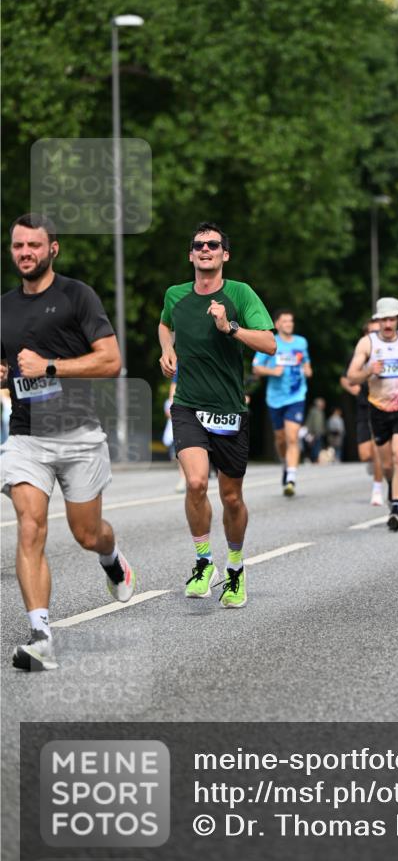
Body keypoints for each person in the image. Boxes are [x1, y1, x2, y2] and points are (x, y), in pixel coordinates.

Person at [1, 214, 136, 671]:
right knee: (31, 525)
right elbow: (5, 369)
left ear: (52, 249)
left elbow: (111, 360)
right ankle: (41, 635)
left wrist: (51, 367)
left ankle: (112, 559)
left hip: (78, 436)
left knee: (86, 533)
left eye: (34, 246)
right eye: (18, 246)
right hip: (26, 437)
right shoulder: (4, 307)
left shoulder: (78, 296)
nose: (25, 253)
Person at [158, 223, 275, 607]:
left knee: (232, 498)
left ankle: (236, 568)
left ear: (225, 254)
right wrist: (167, 350)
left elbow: (270, 343)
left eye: (213, 245)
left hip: (228, 410)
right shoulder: (176, 295)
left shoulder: (240, 293)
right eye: (198, 245)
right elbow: (164, 323)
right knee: (195, 483)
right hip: (189, 405)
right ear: (191, 255)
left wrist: (230, 327)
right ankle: (203, 561)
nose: (205, 249)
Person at [346, 297, 398, 531]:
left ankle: (396, 507)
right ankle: (392, 485)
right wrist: (369, 370)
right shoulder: (367, 343)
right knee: (387, 464)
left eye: (392, 319)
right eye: (383, 319)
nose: (388, 324)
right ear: (377, 321)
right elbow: (352, 376)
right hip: (378, 409)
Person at [252, 310, 312, 496]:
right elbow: (256, 368)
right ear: (277, 324)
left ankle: (291, 478)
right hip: (275, 399)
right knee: (280, 438)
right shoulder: (270, 341)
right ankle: (286, 464)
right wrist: (272, 372)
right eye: (285, 321)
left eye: (291, 321)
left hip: (296, 396)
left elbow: (307, 363)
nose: (289, 324)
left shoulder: (301, 342)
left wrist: (308, 370)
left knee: (292, 436)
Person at [339, 319, 384, 506]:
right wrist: (353, 389)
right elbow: (344, 378)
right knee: (365, 454)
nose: (373, 336)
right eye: (370, 332)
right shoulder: (358, 354)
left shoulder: (385, 352)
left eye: (377, 332)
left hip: (381, 405)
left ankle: (377, 489)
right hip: (363, 406)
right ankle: (373, 465)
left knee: (377, 448)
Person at [305, 397, 326, 463]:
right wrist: (311, 432)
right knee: (315, 446)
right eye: (322, 403)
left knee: (317, 446)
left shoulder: (319, 412)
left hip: (318, 432)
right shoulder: (315, 411)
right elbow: (312, 423)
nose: (323, 405)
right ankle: (314, 459)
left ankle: (315, 459)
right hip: (314, 433)